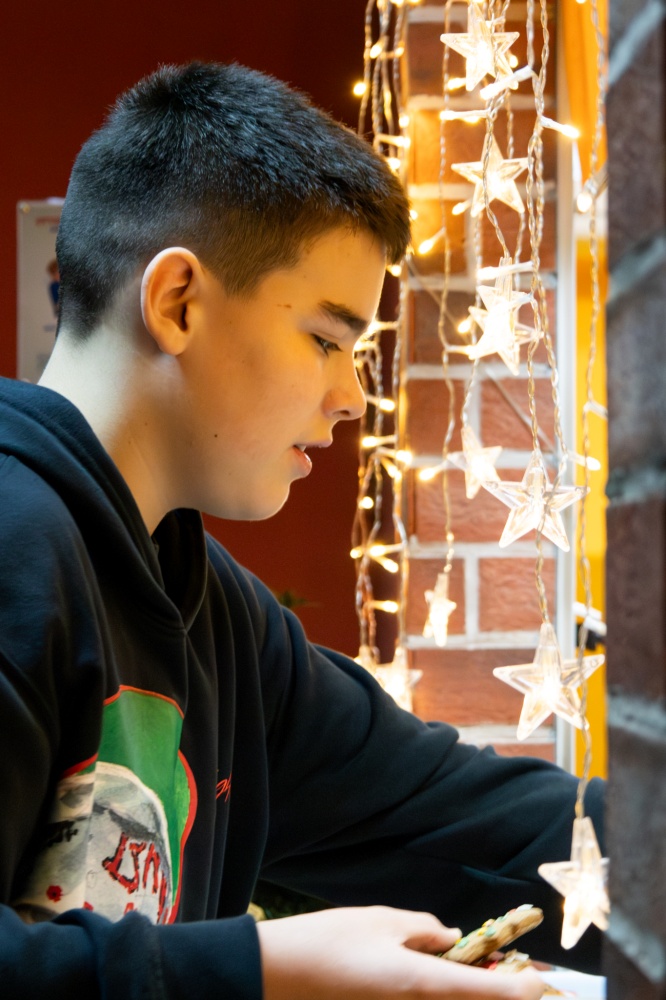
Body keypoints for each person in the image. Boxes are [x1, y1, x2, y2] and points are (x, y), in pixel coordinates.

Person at [0, 61, 604, 999]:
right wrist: (265, 968)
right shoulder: (16, 542)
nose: (351, 397)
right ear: (178, 302)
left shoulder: (216, 617)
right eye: (325, 339)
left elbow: (463, 819)